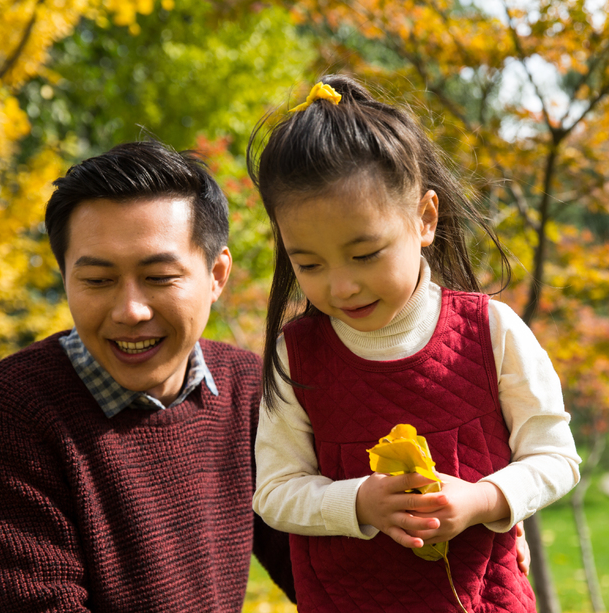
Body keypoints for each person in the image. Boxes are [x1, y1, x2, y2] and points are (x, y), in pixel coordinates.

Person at [249, 75, 581, 612]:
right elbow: (275, 492)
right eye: (307, 263)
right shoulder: (300, 353)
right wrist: (360, 501)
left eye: (364, 254)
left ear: (425, 218)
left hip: (482, 598)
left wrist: (480, 500)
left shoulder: (489, 330)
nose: (340, 285)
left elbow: (556, 457)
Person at [0, 141, 295, 612]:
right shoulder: (9, 412)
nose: (130, 311)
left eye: (159, 277)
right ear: (65, 277)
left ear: (217, 275)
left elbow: (317, 569)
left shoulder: (246, 388)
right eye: (97, 281)